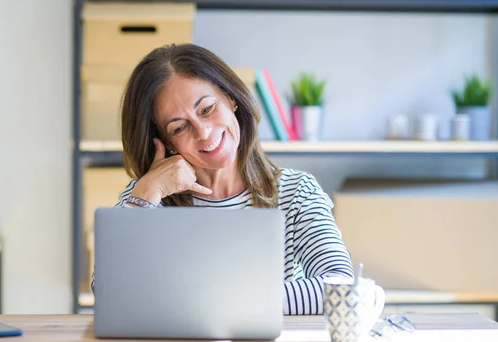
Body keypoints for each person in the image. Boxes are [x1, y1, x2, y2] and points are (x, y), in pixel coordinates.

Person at [92, 43, 354, 315]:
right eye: (179, 127)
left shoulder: (295, 192)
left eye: (206, 109)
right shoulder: (148, 198)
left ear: (231, 98)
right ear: (166, 142)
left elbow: (342, 286)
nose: (204, 132)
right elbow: (107, 292)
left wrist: (218, 301)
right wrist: (146, 193)